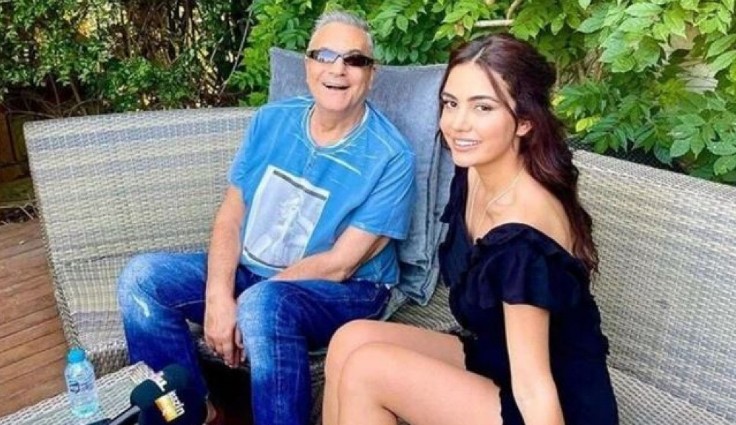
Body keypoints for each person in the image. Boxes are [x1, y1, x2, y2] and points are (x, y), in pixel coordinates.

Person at [117, 10, 415, 425]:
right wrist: (218, 297)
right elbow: (230, 216)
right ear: (307, 64)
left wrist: (244, 304)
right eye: (325, 55)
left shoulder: (392, 156)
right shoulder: (272, 120)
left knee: (264, 303)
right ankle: (191, 414)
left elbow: (341, 264)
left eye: (354, 60)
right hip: (256, 274)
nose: (338, 69)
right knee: (142, 279)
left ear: (371, 74)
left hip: (348, 290)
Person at [322, 34, 618, 425]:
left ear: (525, 121)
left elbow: (534, 387)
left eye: (483, 107)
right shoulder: (475, 171)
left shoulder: (521, 234)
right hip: (496, 358)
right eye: (451, 103)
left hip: (554, 401)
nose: (458, 124)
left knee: (368, 370)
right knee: (350, 339)